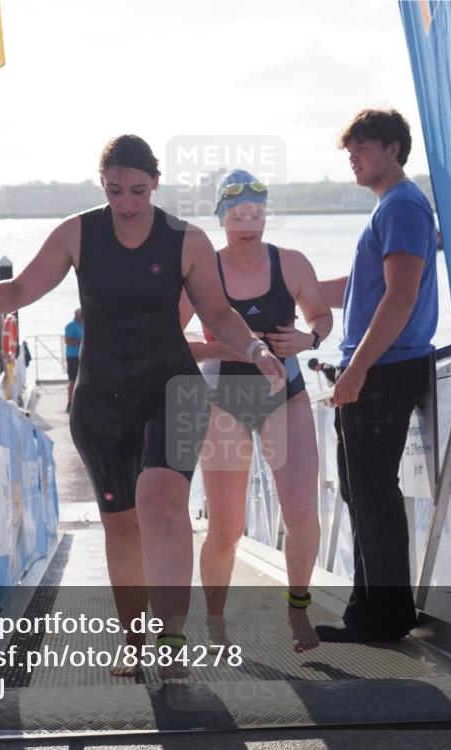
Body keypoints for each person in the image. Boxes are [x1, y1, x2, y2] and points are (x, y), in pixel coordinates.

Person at [0, 135, 285, 676]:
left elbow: (218, 312)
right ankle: (135, 645)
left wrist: (254, 348)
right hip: (101, 400)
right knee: (122, 526)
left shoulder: (188, 240)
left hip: (173, 387)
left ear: (155, 183)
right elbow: (19, 294)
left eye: (136, 190)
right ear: (101, 184)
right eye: (114, 190)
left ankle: (173, 640)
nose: (126, 202)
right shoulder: (77, 233)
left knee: (163, 497)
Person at [179, 169, 332, 652]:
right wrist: (221, 351)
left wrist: (311, 339)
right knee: (226, 527)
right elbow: (169, 343)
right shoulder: (204, 272)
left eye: (258, 213)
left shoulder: (291, 264)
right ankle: (217, 621)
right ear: (221, 217)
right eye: (238, 214)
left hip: (284, 394)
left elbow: (321, 315)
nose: (249, 222)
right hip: (226, 400)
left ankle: (299, 608)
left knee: (303, 512)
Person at [315, 109, 439, 643]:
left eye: (361, 148)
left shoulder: (405, 205)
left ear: (393, 148)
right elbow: (361, 287)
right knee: (359, 489)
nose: (353, 158)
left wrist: (357, 369)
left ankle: (383, 618)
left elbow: (401, 294)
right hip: (380, 366)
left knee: (372, 491)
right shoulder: (392, 208)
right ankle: (369, 613)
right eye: (350, 151)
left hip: (385, 368)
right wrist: (294, 291)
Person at [64, 308, 84, 411]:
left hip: (82, 357)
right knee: (73, 380)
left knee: (82, 380)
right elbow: (67, 340)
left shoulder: (84, 326)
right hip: (73, 356)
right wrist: (82, 343)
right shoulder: (71, 326)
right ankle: (70, 403)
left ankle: (81, 403)